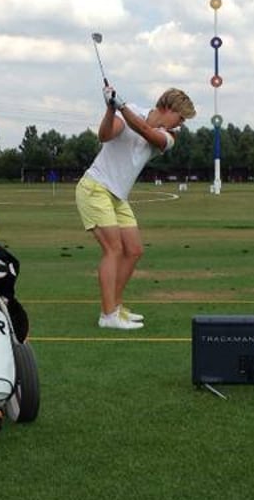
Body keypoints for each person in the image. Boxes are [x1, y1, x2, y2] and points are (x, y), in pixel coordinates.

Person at [75, 85, 196, 329]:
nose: (181, 124)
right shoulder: (130, 111)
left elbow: (144, 131)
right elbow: (104, 135)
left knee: (134, 250)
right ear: (168, 108)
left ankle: (116, 307)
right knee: (113, 249)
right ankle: (108, 315)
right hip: (95, 187)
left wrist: (120, 106)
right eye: (181, 118)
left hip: (117, 196)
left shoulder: (169, 137)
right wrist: (111, 109)